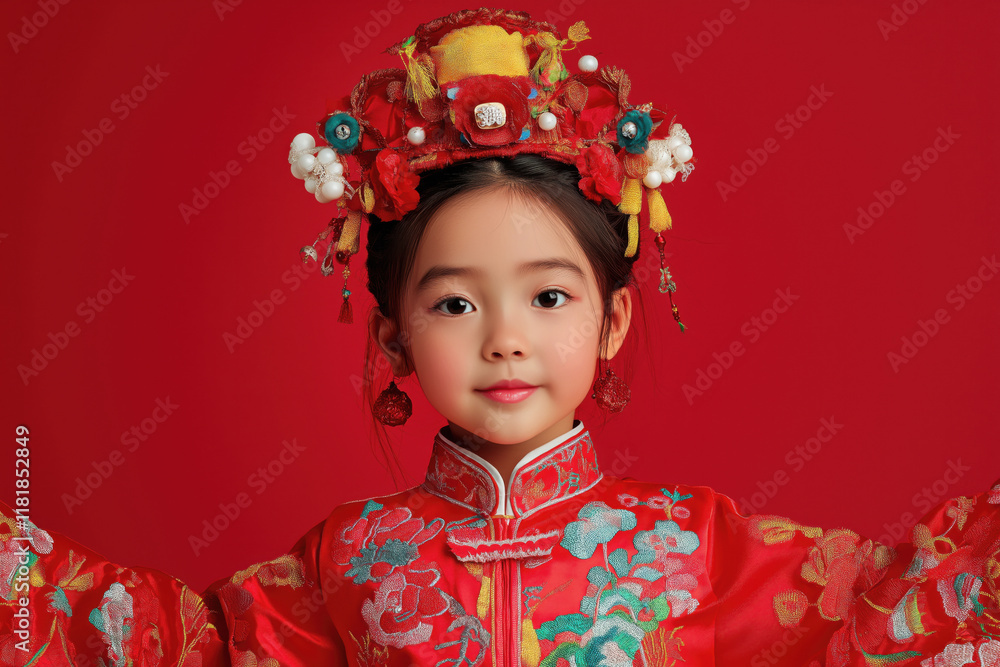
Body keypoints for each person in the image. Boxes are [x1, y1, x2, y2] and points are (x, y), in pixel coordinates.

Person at [2, 7, 998, 666]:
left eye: (549, 298)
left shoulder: (695, 547)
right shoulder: (345, 558)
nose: (505, 340)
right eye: (454, 304)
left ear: (611, 320)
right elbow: (183, 645)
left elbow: (889, 607)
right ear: (393, 338)